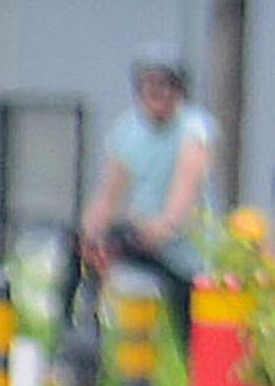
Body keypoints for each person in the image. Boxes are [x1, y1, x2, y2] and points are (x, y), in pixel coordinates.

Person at [81, 56, 220, 296]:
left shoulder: (194, 130)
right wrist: (93, 236)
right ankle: (78, 322)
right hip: (145, 242)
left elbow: (183, 198)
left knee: (190, 322)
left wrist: (159, 229)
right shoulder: (128, 129)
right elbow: (108, 194)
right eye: (150, 87)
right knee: (90, 254)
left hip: (185, 250)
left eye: (165, 86)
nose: (158, 94)